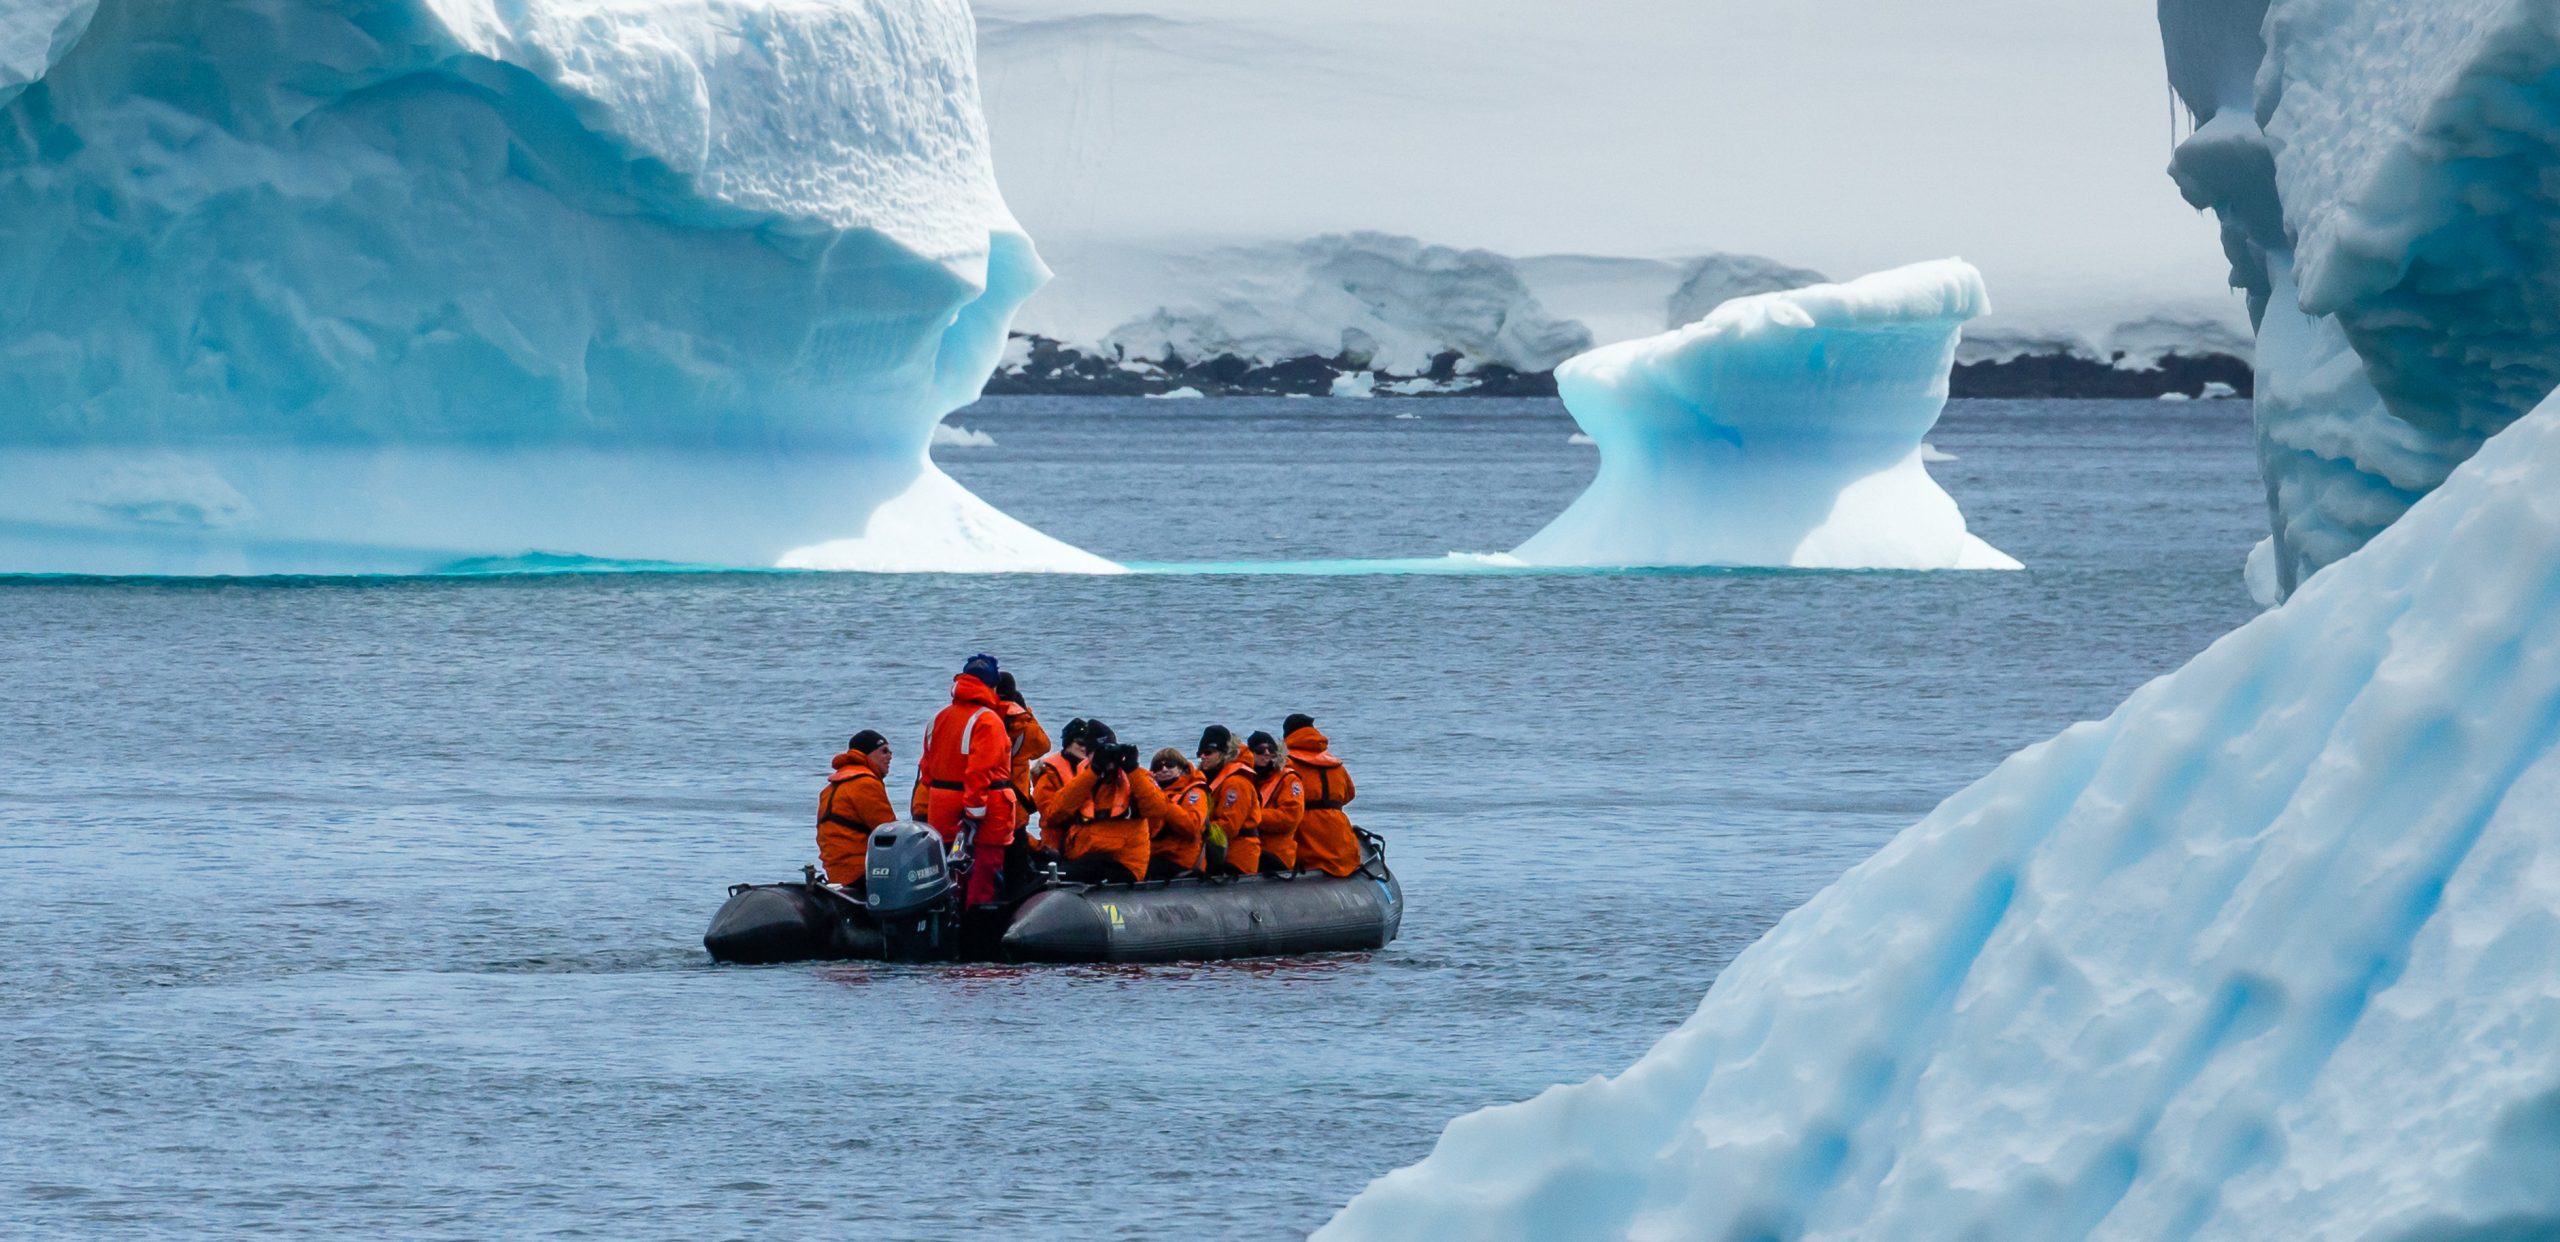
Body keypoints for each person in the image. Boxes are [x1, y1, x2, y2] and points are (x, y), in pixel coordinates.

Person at [916, 653, 1017, 906]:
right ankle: (977, 935)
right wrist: (973, 815)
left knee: (949, 875)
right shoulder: (988, 720)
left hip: (940, 808)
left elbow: (927, 771)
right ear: (992, 686)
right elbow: (979, 771)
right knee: (983, 878)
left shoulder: (937, 719)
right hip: (981, 817)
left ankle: (948, 927)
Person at [1039, 721, 1153, 884]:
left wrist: (1132, 769)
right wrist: (1094, 771)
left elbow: (1157, 810)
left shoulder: (1135, 778)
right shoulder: (1084, 777)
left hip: (1121, 862)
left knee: (1059, 873)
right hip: (1084, 856)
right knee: (1043, 870)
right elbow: (1054, 813)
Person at [817, 730, 896, 889]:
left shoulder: (831, 787)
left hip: (835, 871)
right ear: (867, 755)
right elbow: (889, 831)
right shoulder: (865, 784)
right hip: (858, 872)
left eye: (890, 752)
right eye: (884, 751)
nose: (890, 756)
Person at [1285, 715, 1363, 877]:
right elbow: (1349, 794)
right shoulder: (1335, 764)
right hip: (1337, 828)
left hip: (1305, 831)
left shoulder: (1287, 762)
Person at [1196, 725, 1262, 876]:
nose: (1203, 757)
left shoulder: (1237, 783)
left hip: (1237, 856)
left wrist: (1195, 829)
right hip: (1217, 852)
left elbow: (1229, 826)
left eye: (1208, 753)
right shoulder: (1209, 778)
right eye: (1200, 753)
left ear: (1223, 754)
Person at [1135, 748, 1208, 879]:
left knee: (1142, 870)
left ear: (1180, 768)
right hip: (1155, 854)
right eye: (1158, 766)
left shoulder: (1193, 792)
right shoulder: (1151, 796)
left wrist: (1166, 806)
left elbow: (1192, 827)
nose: (1164, 769)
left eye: (1169, 765)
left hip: (1180, 858)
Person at [1029, 717, 1092, 857]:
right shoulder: (1048, 773)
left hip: (1084, 841)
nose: (1084, 748)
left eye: (1089, 744)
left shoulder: (1092, 771)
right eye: (1080, 743)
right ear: (1068, 743)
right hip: (1057, 845)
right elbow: (1049, 815)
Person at [1247, 730, 1306, 874]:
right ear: (1250, 754)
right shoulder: (1246, 780)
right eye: (1260, 750)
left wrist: (1252, 817)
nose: (1266, 753)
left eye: (1271, 749)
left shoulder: (1289, 779)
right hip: (1252, 849)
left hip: (1276, 853)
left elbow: (1290, 818)